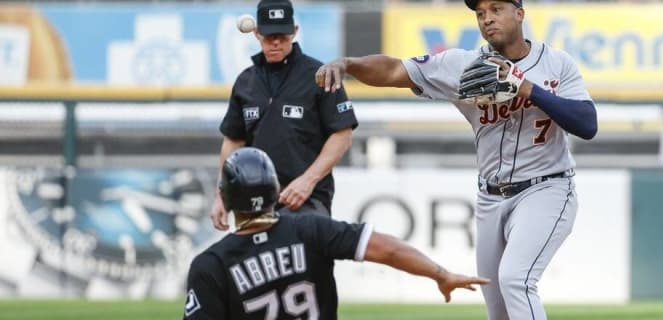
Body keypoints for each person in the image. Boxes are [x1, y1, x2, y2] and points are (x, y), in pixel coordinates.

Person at [315, 0, 597, 318]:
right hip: (491, 197)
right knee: (497, 306)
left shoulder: (557, 64)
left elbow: (587, 125)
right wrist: (349, 64)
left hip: (546, 188)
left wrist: (526, 87)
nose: (487, 18)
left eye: (496, 9)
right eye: (480, 13)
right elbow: (395, 69)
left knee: (515, 279)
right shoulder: (462, 65)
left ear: (519, 13)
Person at [183, 148, 489, 320]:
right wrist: (440, 274)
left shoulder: (211, 264)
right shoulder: (311, 229)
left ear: (225, 196)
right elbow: (388, 250)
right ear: (274, 188)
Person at [210, 0, 357, 231]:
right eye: (269, 36)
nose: (276, 42)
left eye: (283, 35)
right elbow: (233, 141)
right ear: (257, 33)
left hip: (306, 200)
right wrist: (222, 194)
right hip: (254, 203)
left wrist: (307, 181)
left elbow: (343, 135)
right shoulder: (245, 82)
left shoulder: (320, 75)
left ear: (295, 31)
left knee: (308, 264)